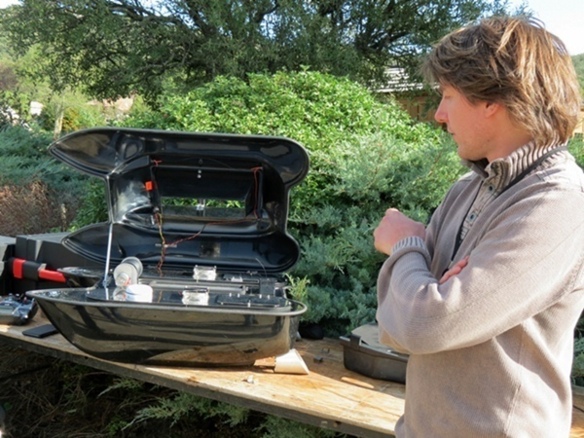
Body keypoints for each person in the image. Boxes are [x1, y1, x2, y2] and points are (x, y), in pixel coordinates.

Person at [373, 16, 584, 437]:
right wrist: (432, 300)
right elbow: (397, 327)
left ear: (493, 99)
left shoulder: (559, 204)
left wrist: (406, 243)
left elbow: (423, 323)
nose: (438, 114)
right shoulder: (468, 188)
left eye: (448, 95)